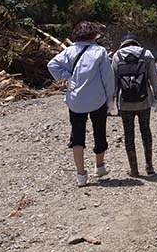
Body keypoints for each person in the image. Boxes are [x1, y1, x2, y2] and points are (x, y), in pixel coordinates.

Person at [47, 21, 115, 187]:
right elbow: (108, 78)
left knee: (77, 137)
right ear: (93, 35)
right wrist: (110, 98)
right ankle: (99, 167)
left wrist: (68, 78)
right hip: (97, 98)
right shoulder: (100, 52)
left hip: (75, 100)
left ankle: (81, 176)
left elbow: (52, 65)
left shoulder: (69, 51)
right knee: (99, 132)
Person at [111, 34, 157, 177]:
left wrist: (111, 101)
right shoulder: (147, 54)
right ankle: (149, 166)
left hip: (125, 102)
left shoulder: (117, 56)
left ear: (123, 44)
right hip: (144, 100)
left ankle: (134, 170)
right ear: (136, 43)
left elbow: (113, 81)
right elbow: (154, 79)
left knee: (129, 133)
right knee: (145, 130)